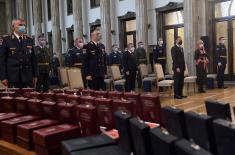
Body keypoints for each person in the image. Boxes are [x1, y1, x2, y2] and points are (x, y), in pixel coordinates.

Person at [0, 18, 38, 88]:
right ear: (13, 27)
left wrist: (35, 75)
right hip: (13, 76)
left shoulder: (29, 40)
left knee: (28, 97)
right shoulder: (7, 40)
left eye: (24, 25)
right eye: (20, 25)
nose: (23, 27)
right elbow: (2, 60)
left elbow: (33, 59)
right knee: (15, 98)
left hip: (27, 75)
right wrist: (3, 77)